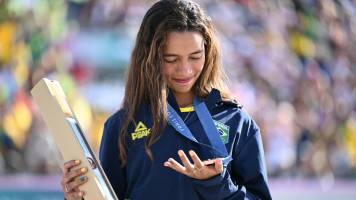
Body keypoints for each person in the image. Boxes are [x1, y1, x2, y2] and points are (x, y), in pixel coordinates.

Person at [61, 0, 272, 199]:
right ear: (149, 58)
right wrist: (79, 195)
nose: (185, 69)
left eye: (195, 56)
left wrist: (218, 184)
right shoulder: (122, 125)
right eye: (171, 59)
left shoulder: (237, 122)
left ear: (209, 53)